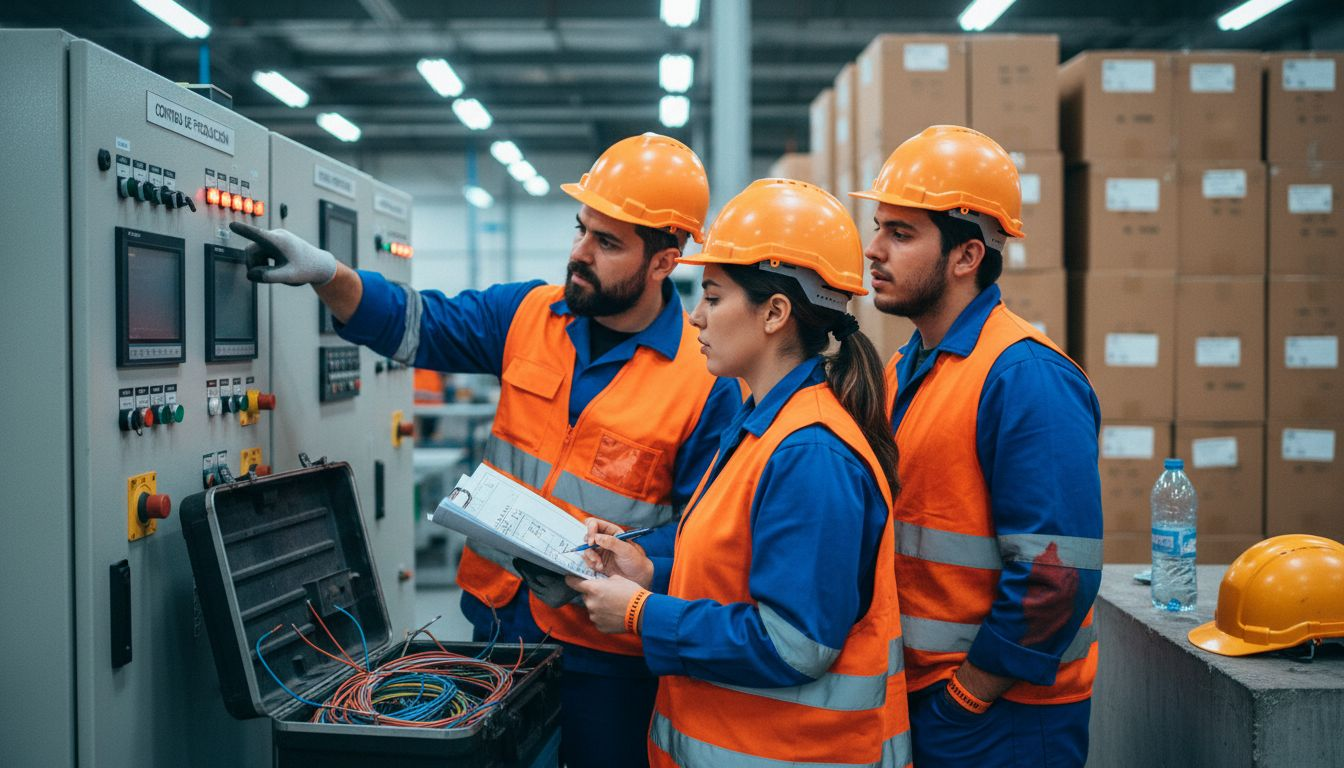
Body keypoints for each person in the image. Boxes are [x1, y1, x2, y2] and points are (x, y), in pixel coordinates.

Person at [229, 133, 743, 768]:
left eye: (607, 243)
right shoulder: (528, 314)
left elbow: (704, 536)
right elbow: (415, 322)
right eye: (581, 230)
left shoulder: (707, 380)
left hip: (608, 660)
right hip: (498, 628)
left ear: (664, 261)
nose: (579, 254)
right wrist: (330, 275)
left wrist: (629, 563)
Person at [566, 178, 912, 767]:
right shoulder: (760, 425)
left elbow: (796, 644)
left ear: (775, 312)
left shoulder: (811, 454)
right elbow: (733, 563)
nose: (696, 318)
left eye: (714, 297)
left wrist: (640, 613)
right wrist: (648, 567)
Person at [851, 125, 1102, 766]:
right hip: (933, 700)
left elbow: (1058, 574)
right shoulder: (905, 366)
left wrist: (969, 696)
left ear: (966, 257)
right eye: (878, 226)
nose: (873, 250)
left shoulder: (1026, 378)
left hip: (1005, 716)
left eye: (900, 234)